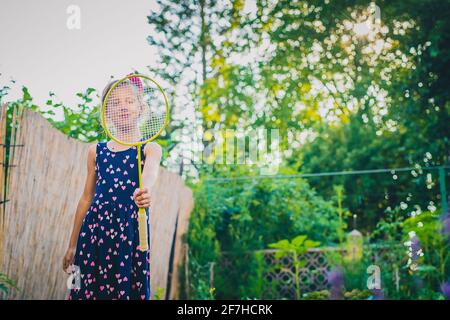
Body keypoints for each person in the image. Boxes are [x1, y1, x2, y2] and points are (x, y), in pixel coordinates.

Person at [62, 78, 162, 300]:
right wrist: (72, 245)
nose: (123, 106)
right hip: (93, 233)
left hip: (130, 235)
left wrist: (144, 191)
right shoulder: (95, 151)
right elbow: (86, 199)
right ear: (107, 112)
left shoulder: (150, 148)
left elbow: (151, 174)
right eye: (115, 103)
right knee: (81, 287)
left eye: (129, 101)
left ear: (140, 107)